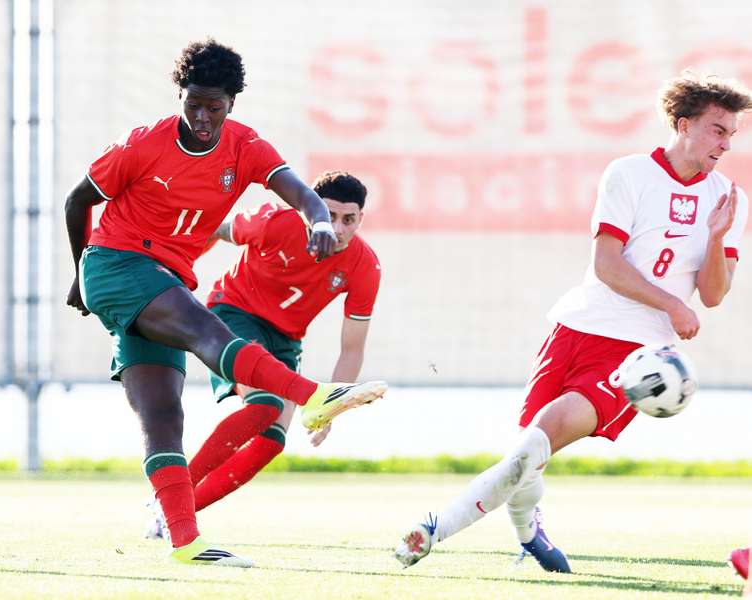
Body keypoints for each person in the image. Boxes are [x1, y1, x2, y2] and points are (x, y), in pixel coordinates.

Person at [393, 71, 751, 572]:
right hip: (576, 328)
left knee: (542, 436)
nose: (727, 143)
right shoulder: (627, 173)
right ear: (683, 123)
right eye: (718, 129)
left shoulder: (728, 200)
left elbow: (713, 295)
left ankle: (433, 529)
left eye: (732, 133)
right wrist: (672, 302)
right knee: (526, 453)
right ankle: (530, 534)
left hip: (637, 353)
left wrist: (715, 238)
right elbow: (607, 265)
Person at [64, 39, 387, 568]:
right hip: (118, 265)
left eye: (214, 106)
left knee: (164, 414)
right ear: (180, 95)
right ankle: (312, 396)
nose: (201, 117)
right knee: (209, 333)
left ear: (232, 103)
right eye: (192, 103)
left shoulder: (245, 147)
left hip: (163, 281)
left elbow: (300, 191)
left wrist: (320, 218)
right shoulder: (143, 144)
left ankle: (184, 541)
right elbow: (78, 200)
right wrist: (79, 272)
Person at [146, 171, 380, 539]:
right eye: (329, 216)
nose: (337, 229)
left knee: (272, 441)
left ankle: (172, 515)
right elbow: (216, 231)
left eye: (348, 220)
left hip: (285, 339)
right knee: (266, 405)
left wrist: (335, 405)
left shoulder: (365, 265)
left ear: (360, 219)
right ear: (311, 209)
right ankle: (170, 496)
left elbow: (352, 347)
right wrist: (173, 268)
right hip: (234, 314)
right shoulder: (275, 220)